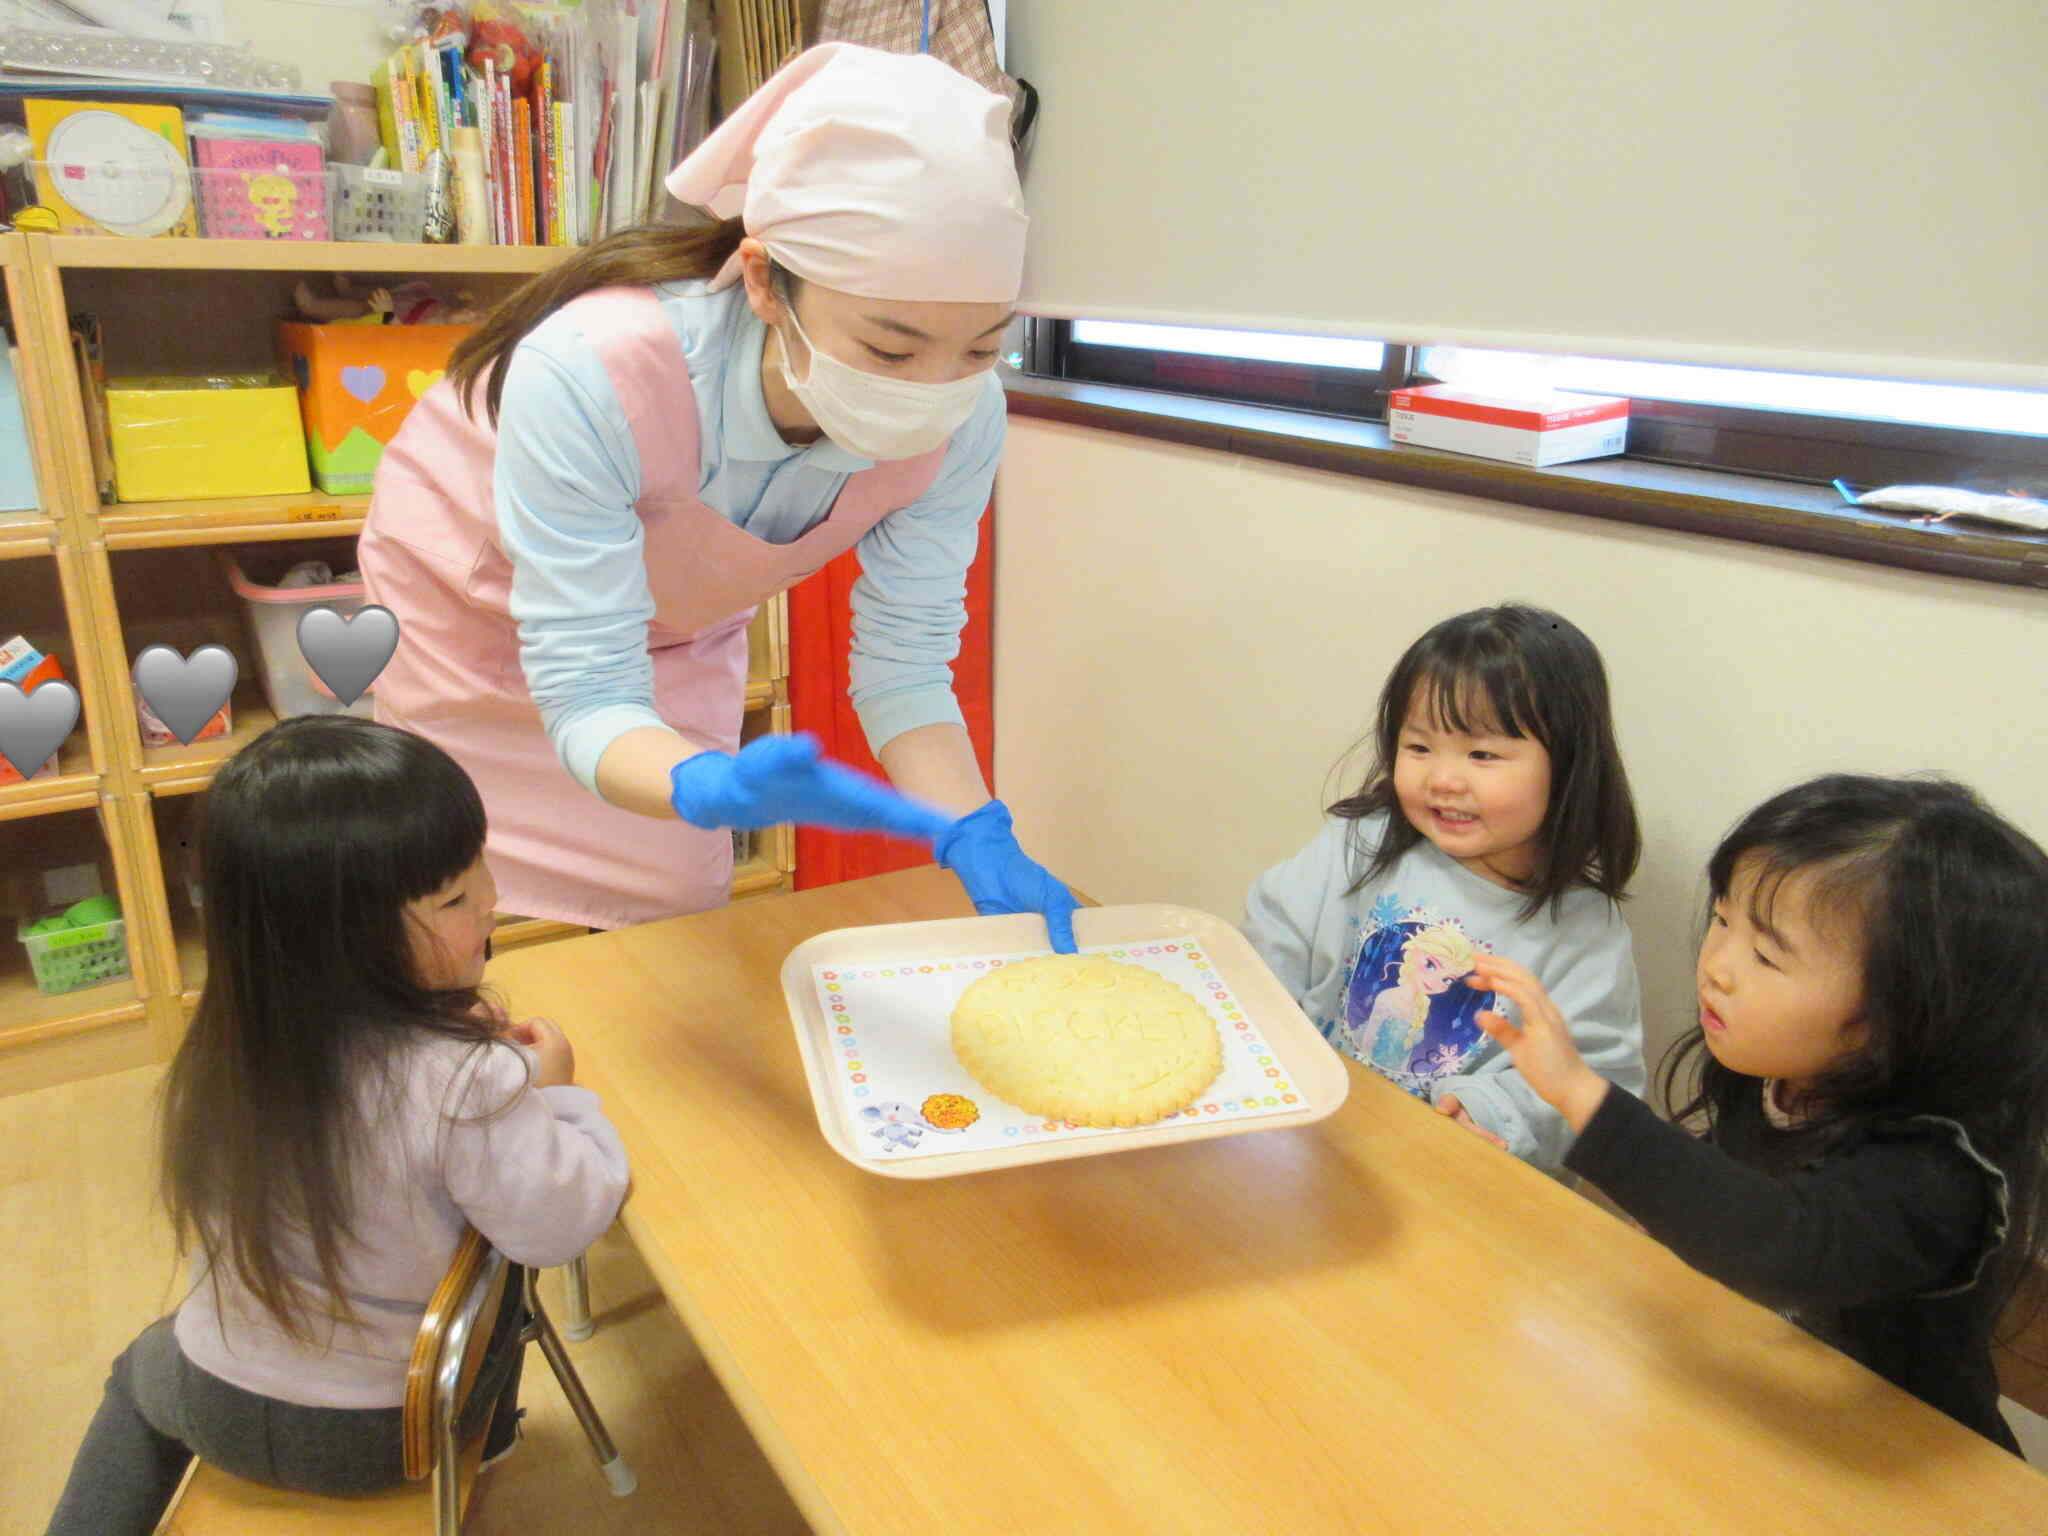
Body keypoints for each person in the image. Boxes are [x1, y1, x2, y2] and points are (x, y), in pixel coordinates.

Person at [358, 42, 1075, 947]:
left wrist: (972, 829)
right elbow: (586, 690)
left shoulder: (966, 422)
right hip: (463, 623)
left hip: (668, 638)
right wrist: (695, 780)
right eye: (891, 350)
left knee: (668, 920)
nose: (932, 389)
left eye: (979, 348)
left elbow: (905, 667)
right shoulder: (598, 368)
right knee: (442, 912)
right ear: (767, 281)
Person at [46, 718, 629, 1533]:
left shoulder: (227, 1046)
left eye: (479, 868)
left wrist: (497, 1073)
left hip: (213, 1395)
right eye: (456, 897)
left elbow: (394, 1111)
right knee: (501, 1282)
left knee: (136, 1373)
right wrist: (560, 1096)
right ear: (346, 940)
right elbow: (562, 1225)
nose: (493, 897)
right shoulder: (468, 1082)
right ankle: (489, 1445)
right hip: (385, 1436)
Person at [1472, 773, 2048, 1453]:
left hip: (1896, 1461)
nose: (1717, 966)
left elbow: (1789, 1246)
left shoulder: (1937, 1174)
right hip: (1759, 1408)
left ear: (1907, 1018)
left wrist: (1579, 1093)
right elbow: (1735, 1189)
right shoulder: (1780, 1069)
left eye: (1767, 954)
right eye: (1722, 918)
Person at [1242, 604, 1645, 1169]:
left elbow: (1600, 1081)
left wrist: (1486, 1113)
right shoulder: (1360, 842)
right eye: (1419, 747)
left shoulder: (1584, 930)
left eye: (1482, 754)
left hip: (1454, 1176)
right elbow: (1273, 931)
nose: (1443, 779)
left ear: (1570, 766)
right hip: (1311, 1135)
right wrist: (1269, 1032)